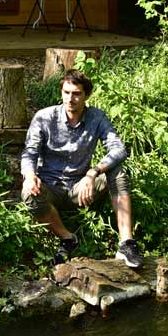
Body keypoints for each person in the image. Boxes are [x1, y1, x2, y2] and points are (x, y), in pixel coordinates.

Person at [20, 69, 144, 269]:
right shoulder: (44, 117)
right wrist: (29, 175)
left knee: (118, 172)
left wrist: (93, 172)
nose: (71, 99)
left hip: (81, 189)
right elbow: (30, 152)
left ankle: (126, 243)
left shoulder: (96, 117)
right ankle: (68, 238)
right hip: (49, 188)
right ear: (61, 92)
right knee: (28, 192)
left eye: (76, 94)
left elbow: (118, 149)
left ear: (86, 95)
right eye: (67, 92)